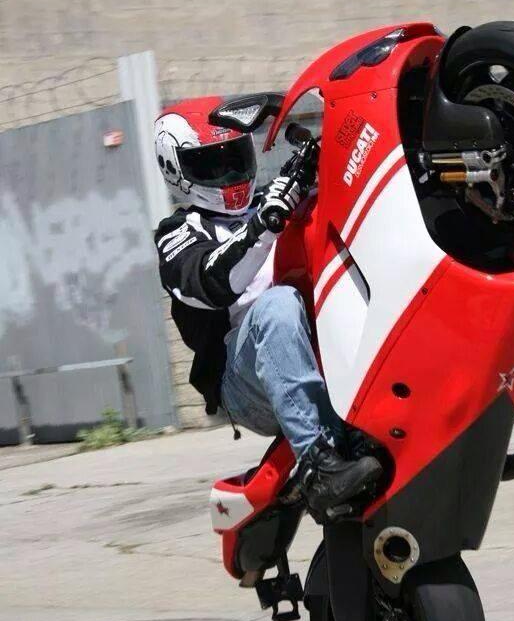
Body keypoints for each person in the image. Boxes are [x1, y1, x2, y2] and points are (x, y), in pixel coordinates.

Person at [153, 96, 382, 522]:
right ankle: (317, 464)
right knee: (277, 305)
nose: (229, 173)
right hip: (243, 382)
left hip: (312, 352)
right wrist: (264, 224)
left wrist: (319, 161)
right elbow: (215, 283)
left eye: (235, 158)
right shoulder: (177, 234)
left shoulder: (270, 201)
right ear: (176, 171)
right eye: (211, 164)